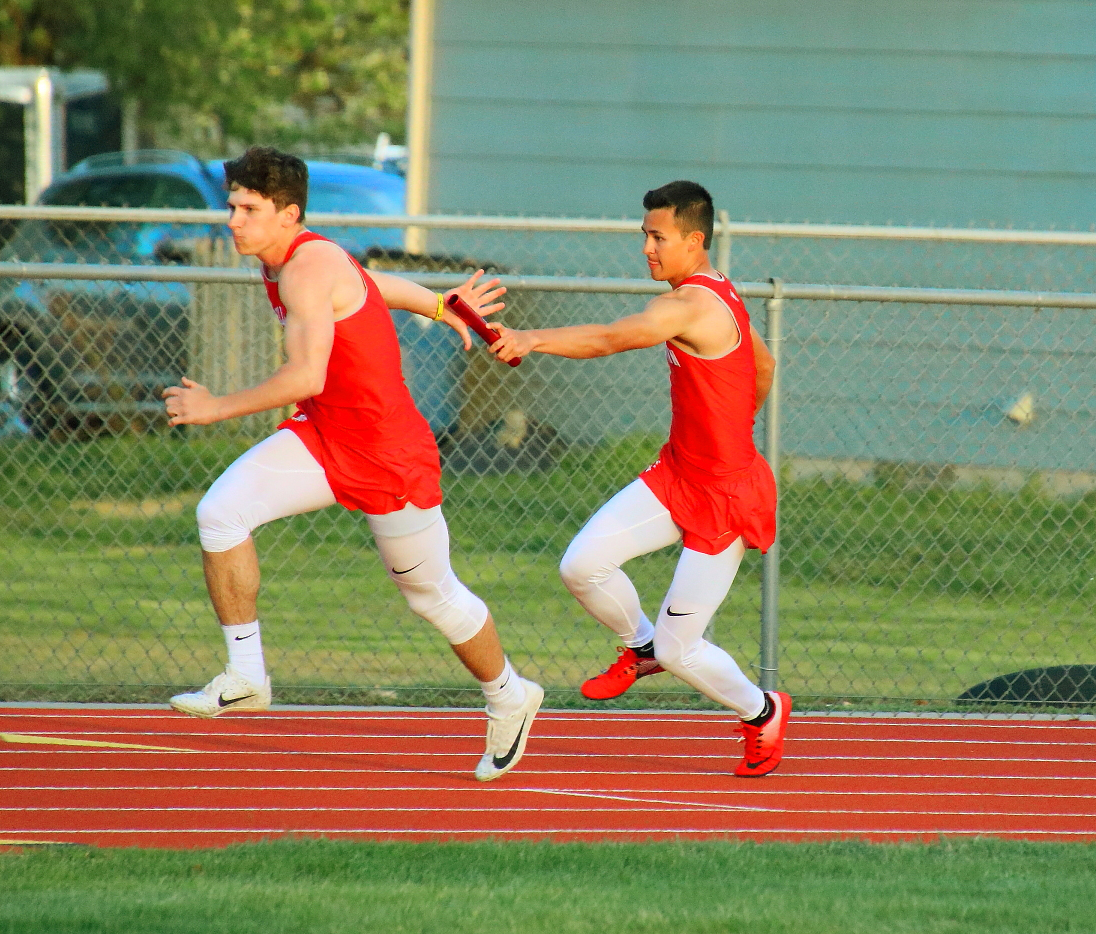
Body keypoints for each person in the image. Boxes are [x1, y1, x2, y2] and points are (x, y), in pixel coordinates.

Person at [163, 146, 542, 782]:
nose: (233, 219)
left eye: (248, 209)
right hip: (324, 437)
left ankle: (510, 693)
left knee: (431, 595)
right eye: (231, 206)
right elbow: (371, 285)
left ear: (289, 214)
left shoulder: (304, 270)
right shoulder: (299, 256)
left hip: (387, 455)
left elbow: (305, 372)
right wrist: (441, 305)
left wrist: (215, 407)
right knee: (220, 513)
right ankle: (246, 674)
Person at [487, 180, 790, 777]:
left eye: (658, 237)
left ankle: (762, 712)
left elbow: (609, 338)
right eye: (644, 236)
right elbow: (763, 364)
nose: (647, 248)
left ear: (694, 241)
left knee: (685, 653)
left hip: (725, 497)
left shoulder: (691, 305)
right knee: (581, 566)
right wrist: (729, 421)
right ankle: (641, 647)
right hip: (679, 473)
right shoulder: (718, 292)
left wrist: (531, 339)